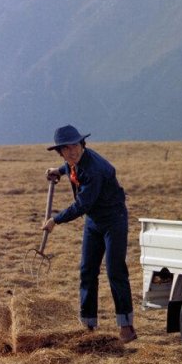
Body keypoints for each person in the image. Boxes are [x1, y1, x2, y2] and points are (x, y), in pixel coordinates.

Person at [42, 125, 137, 343]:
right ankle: (88, 323)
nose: (72, 151)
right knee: (87, 271)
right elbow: (71, 166)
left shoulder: (95, 170)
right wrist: (59, 171)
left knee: (115, 271)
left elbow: (82, 205)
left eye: (75, 146)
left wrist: (55, 220)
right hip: (93, 221)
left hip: (113, 220)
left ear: (82, 144)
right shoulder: (73, 161)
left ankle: (126, 326)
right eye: (66, 149)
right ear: (60, 152)